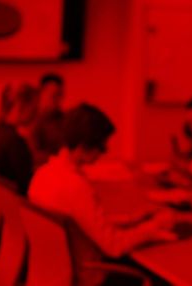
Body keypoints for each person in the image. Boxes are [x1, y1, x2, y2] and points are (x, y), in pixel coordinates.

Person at [28, 103, 177, 285]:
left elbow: (80, 223)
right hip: (88, 275)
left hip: (54, 273)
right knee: (159, 278)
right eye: (102, 147)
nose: (104, 153)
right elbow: (113, 247)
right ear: (83, 147)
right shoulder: (76, 186)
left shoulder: (42, 174)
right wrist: (153, 228)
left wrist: (131, 219)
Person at [0, 82, 38, 195]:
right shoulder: (15, 143)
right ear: (22, 107)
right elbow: (27, 186)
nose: (36, 114)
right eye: (34, 109)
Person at [28, 73, 65, 167]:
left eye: (60, 95)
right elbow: (32, 154)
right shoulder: (30, 120)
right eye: (53, 95)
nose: (58, 100)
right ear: (41, 93)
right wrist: (59, 158)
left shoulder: (64, 118)